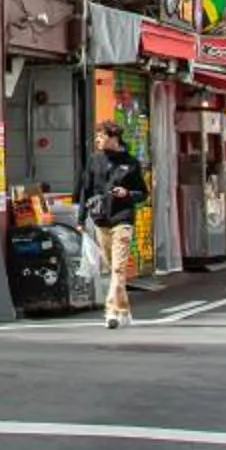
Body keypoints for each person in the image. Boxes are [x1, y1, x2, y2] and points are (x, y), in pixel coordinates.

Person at [79, 120, 150, 327]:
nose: (98, 140)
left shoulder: (131, 163)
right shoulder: (95, 160)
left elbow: (143, 194)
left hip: (123, 218)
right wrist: (81, 219)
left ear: (113, 138)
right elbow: (86, 189)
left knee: (118, 269)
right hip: (101, 219)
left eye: (101, 136)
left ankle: (111, 311)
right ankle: (124, 309)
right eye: (97, 137)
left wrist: (128, 194)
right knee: (112, 269)